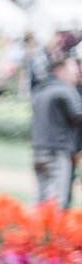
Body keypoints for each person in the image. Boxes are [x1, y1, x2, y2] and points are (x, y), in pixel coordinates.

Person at [31, 55, 82, 209]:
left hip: (39, 150)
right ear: (60, 70)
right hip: (57, 151)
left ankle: (34, 231)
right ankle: (50, 232)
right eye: (73, 69)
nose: (77, 73)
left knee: (41, 197)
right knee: (57, 201)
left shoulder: (41, 89)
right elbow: (78, 116)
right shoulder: (66, 90)